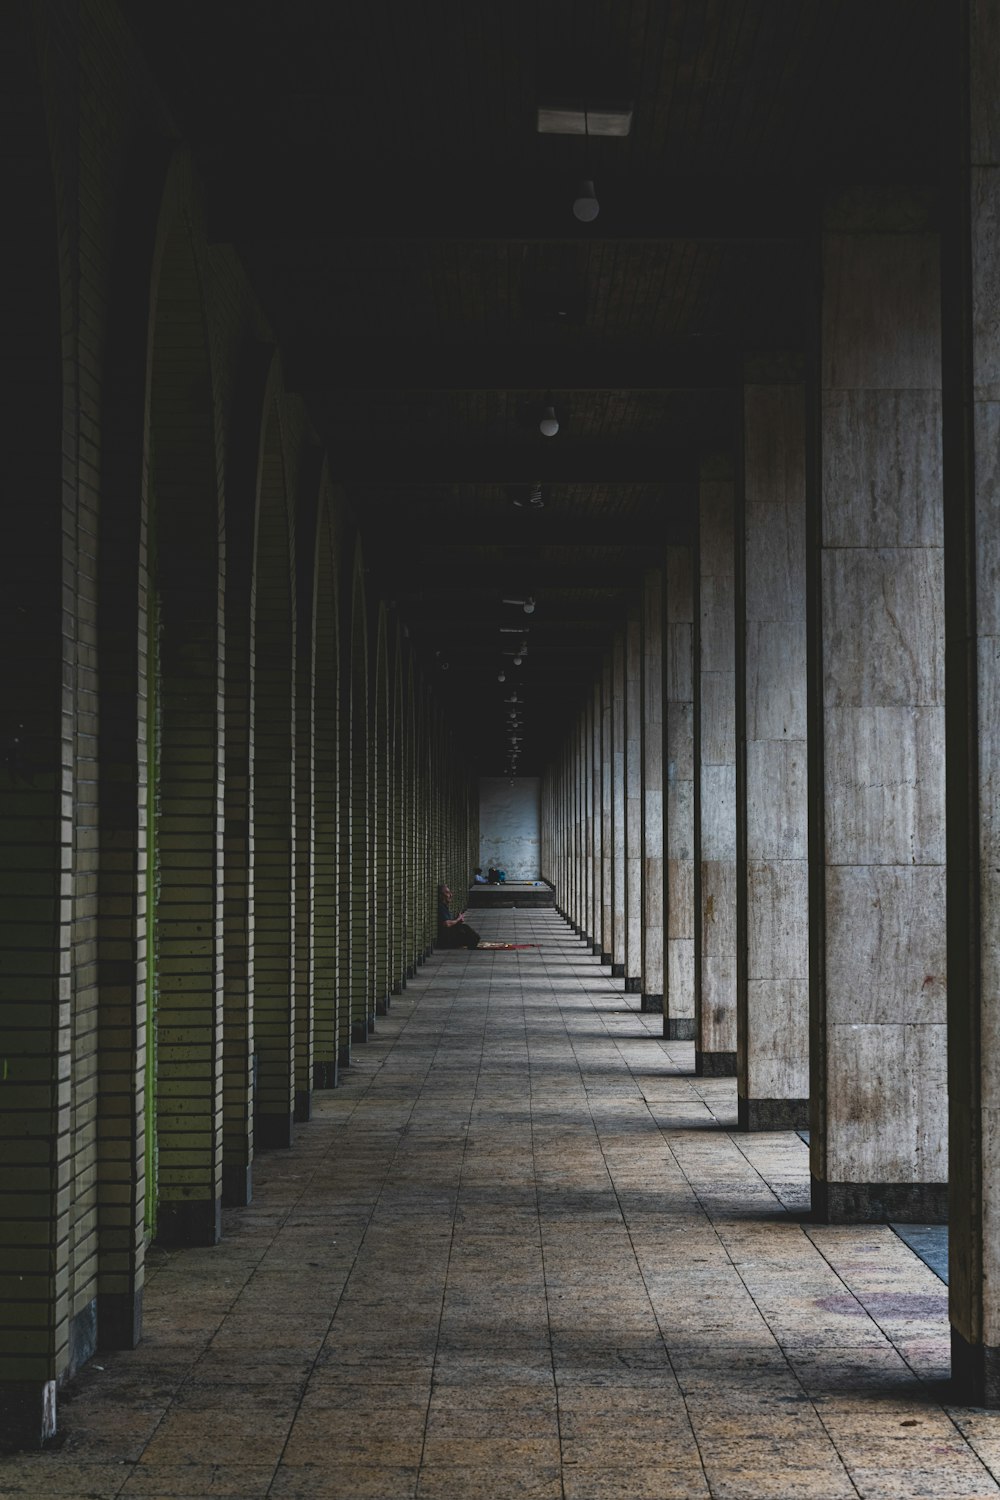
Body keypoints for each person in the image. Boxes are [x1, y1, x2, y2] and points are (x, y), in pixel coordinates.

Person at [437, 884, 480, 949]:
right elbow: (447, 924)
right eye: (447, 893)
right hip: (445, 939)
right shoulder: (441, 907)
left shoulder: (444, 906)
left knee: (467, 929)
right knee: (468, 932)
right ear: (441, 895)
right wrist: (458, 919)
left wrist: (458, 920)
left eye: (450, 893)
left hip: (448, 935)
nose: (450, 895)